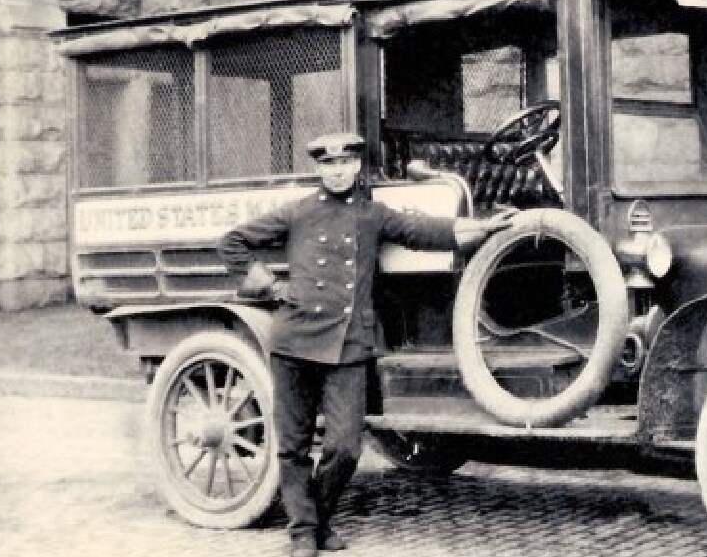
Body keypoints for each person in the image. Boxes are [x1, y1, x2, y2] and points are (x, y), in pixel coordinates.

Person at [218, 132, 512, 557]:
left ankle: (315, 516)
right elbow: (233, 242)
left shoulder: (372, 216)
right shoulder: (299, 213)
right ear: (320, 168)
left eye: (345, 163)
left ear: (356, 167)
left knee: (344, 447)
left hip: (348, 345)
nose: (337, 171)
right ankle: (304, 532)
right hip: (294, 340)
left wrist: (484, 228)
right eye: (328, 165)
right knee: (293, 444)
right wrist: (268, 286)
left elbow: (426, 231)